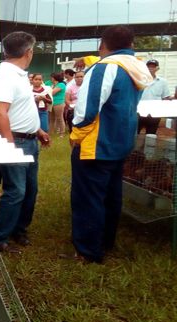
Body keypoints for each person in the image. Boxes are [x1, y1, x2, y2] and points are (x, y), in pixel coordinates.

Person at [70, 25, 152, 264]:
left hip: (96, 145)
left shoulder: (104, 68)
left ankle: (88, 250)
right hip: (120, 142)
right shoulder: (136, 67)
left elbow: (87, 110)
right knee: (111, 196)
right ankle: (106, 241)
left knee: (88, 198)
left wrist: (76, 136)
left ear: (102, 44)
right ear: (132, 45)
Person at [0, 31, 51, 252]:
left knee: (30, 190)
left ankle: (18, 229)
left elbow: (20, 109)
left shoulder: (19, 75)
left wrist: (39, 130)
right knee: (16, 191)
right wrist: (9, 145)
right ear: (29, 52)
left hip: (29, 139)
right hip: (16, 141)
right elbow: (0, 112)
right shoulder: (6, 76)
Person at [138, 59, 172, 134]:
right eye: (149, 66)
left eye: (153, 66)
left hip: (154, 113)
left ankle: (148, 146)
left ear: (157, 68)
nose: (151, 68)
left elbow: (165, 97)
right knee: (134, 134)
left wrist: (172, 100)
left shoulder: (163, 82)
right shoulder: (139, 80)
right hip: (139, 112)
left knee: (151, 135)